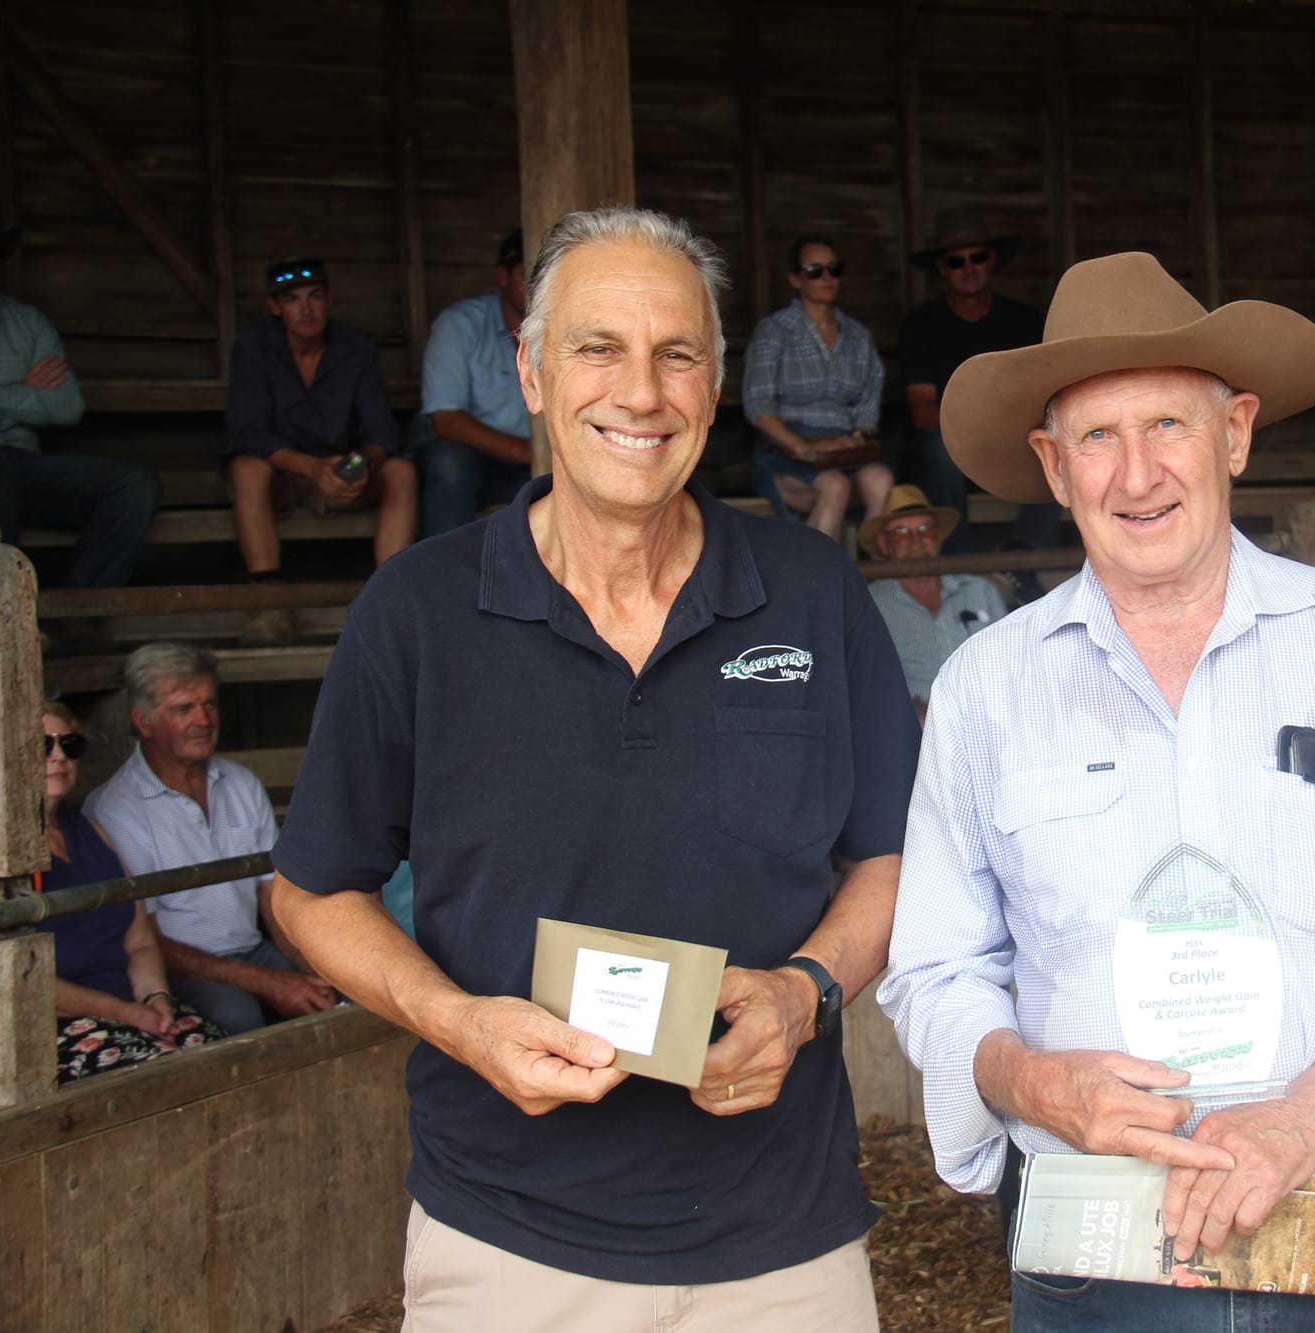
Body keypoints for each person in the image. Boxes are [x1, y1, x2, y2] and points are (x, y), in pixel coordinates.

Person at [266, 208, 919, 1333]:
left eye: (676, 353)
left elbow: (888, 855)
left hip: (782, 1241)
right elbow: (310, 890)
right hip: (505, 1236)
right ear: (529, 371)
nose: (641, 391)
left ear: (714, 384)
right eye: (596, 348)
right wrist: (460, 1022)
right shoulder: (415, 611)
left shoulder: (810, 592)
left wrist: (805, 992)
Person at [878, 251, 1315, 1331]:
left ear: (1232, 431)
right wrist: (1036, 1086)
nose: (1134, 476)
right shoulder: (984, 688)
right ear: (1050, 464)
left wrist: (1306, 1112)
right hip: (1097, 1253)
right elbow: (937, 968)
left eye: (1166, 427)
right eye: (1096, 436)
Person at [83, 642, 338, 1034]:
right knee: (239, 1018)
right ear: (143, 721)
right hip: (184, 966)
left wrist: (315, 967)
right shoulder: (116, 809)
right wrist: (264, 981)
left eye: (210, 704)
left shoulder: (240, 783)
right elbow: (146, 940)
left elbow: (274, 899)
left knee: (338, 996)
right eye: (183, 709)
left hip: (255, 951)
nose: (203, 719)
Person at [226, 255, 417, 645]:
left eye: (314, 296)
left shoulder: (355, 349)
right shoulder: (253, 347)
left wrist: (359, 466)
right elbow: (248, 433)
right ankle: (270, 607)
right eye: (293, 300)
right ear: (275, 307)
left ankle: (388, 605)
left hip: (343, 475)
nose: (306, 309)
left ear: (329, 299)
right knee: (246, 469)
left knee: (400, 471)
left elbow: (381, 431)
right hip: (284, 477)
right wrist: (312, 468)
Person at [36, 699, 224, 1084]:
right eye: (42, 746)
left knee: (220, 1053)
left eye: (69, 745)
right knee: (164, 1075)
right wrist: (125, 1014)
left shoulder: (91, 831)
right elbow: (24, 982)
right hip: (54, 1024)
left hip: (128, 1004)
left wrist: (156, 999)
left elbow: (138, 939)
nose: (58, 756)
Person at [0, 211, 161, 589]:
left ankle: (79, 618)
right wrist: (26, 394)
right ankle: (8, 630)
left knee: (132, 484)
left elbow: (67, 407)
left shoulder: (27, 322)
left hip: (24, 462)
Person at [898, 207, 1056, 591]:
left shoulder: (1022, 320)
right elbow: (922, 413)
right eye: (956, 261)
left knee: (1060, 444)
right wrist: (991, 422)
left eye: (978, 257)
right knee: (939, 449)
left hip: (1012, 445)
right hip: (951, 451)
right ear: (941, 268)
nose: (968, 268)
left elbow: (1043, 398)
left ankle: (1020, 557)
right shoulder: (922, 325)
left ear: (992, 261)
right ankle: (963, 568)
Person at [741, 236, 893, 543]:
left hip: (844, 447)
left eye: (833, 269)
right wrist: (804, 448)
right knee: (835, 486)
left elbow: (867, 403)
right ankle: (819, 585)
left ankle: (876, 582)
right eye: (814, 270)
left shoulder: (858, 335)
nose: (826, 277)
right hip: (786, 449)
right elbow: (759, 406)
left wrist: (855, 439)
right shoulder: (775, 330)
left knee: (881, 479)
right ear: (795, 279)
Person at [861, 484, 1007, 723]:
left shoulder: (980, 590)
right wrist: (906, 711)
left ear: (938, 536)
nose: (916, 540)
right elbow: (865, 680)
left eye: (925, 530)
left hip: (989, 718)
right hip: (909, 727)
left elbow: (1012, 662)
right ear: (884, 543)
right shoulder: (872, 603)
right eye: (901, 533)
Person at [419, 230, 532, 537]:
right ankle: (444, 576)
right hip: (481, 462)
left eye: (543, 275)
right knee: (450, 462)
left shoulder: (570, 326)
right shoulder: (460, 325)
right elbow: (446, 421)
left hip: (543, 463)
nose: (536, 287)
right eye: (526, 274)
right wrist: (522, 451)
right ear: (502, 276)